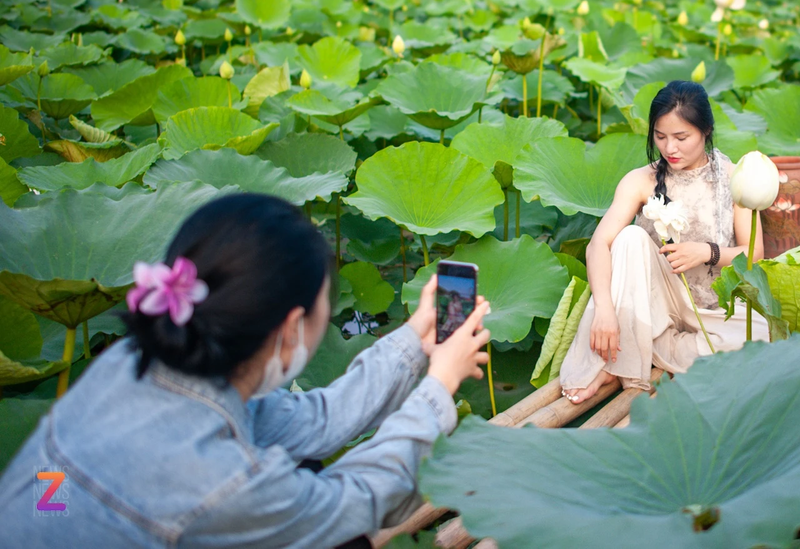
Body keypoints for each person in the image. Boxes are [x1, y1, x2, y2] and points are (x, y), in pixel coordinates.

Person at [0, 193, 490, 548]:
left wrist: (413, 341)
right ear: (292, 327)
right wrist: (439, 385)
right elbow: (353, 502)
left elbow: (314, 421)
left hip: (41, 512)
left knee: (302, 461)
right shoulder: (219, 480)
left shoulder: (132, 363)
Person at [559, 81, 768, 404]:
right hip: (653, 301)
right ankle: (619, 354)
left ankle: (645, 348)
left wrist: (707, 252)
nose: (670, 148)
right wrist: (604, 310)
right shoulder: (640, 180)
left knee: (762, 338)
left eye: (682, 137)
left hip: (713, 306)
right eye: (660, 137)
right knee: (629, 237)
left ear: (706, 131)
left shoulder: (731, 176)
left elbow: (753, 253)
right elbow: (598, 244)